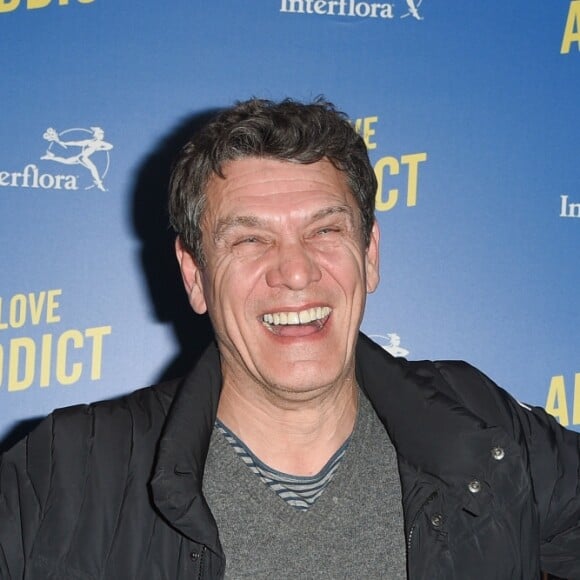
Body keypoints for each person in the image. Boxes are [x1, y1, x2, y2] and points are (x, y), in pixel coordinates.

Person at [1, 98, 579, 579]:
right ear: (194, 275)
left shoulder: (482, 427)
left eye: (325, 230)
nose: (296, 272)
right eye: (249, 241)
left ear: (370, 254)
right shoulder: (67, 471)